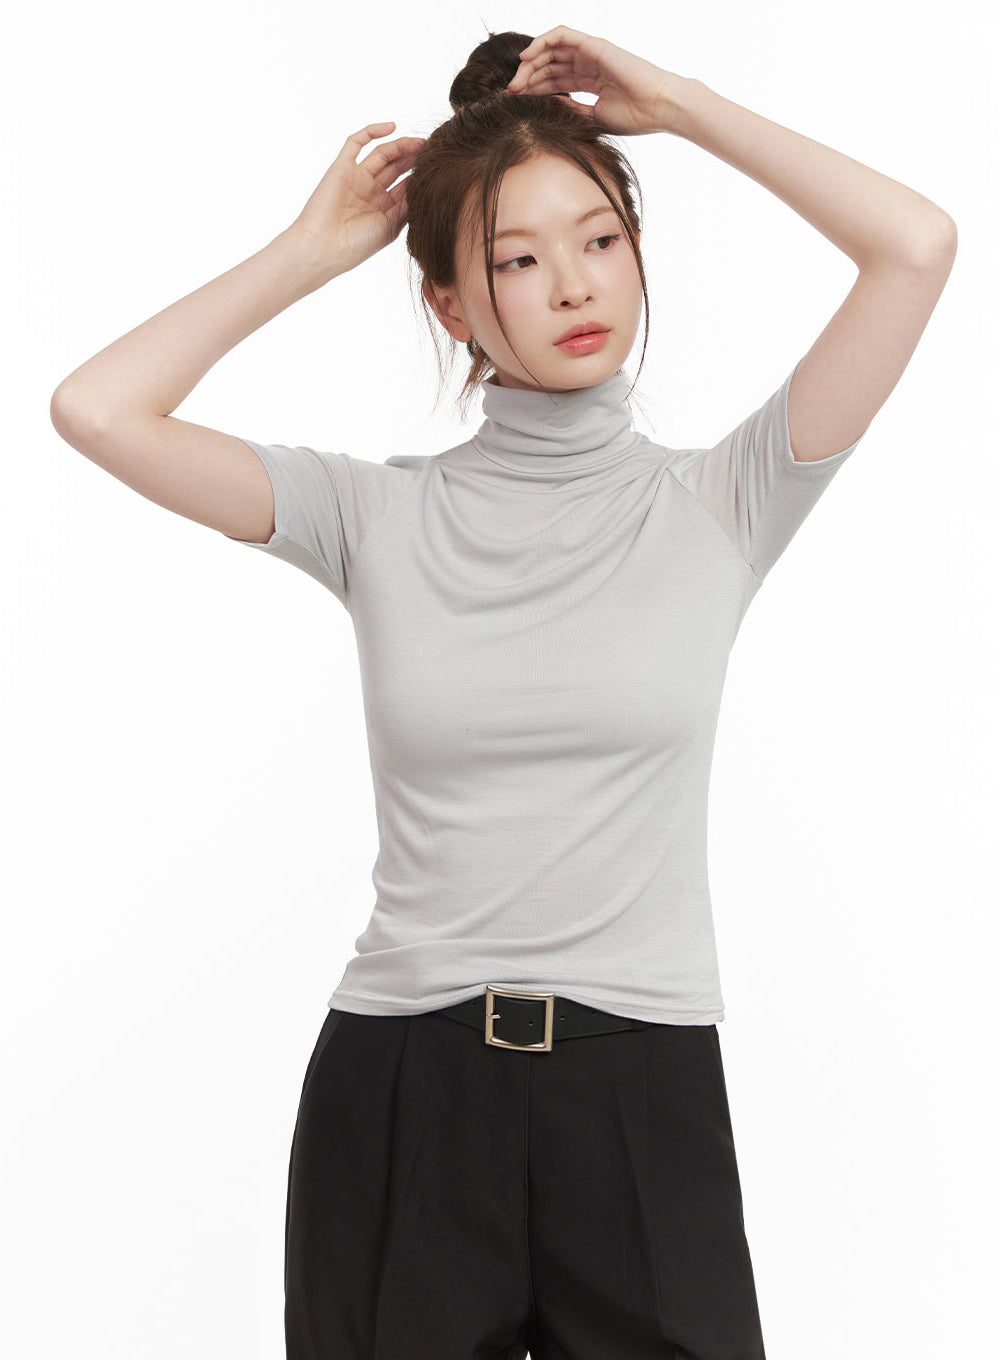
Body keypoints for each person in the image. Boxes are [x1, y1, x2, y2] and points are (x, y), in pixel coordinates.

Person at [49, 24, 957, 1360]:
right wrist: (307, 252)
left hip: (641, 1084)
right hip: (404, 1088)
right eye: (517, 261)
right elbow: (97, 408)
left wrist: (681, 105)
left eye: (600, 240)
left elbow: (917, 246)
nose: (573, 284)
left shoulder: (723, 500)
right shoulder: (369, 516)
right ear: (452, 307)